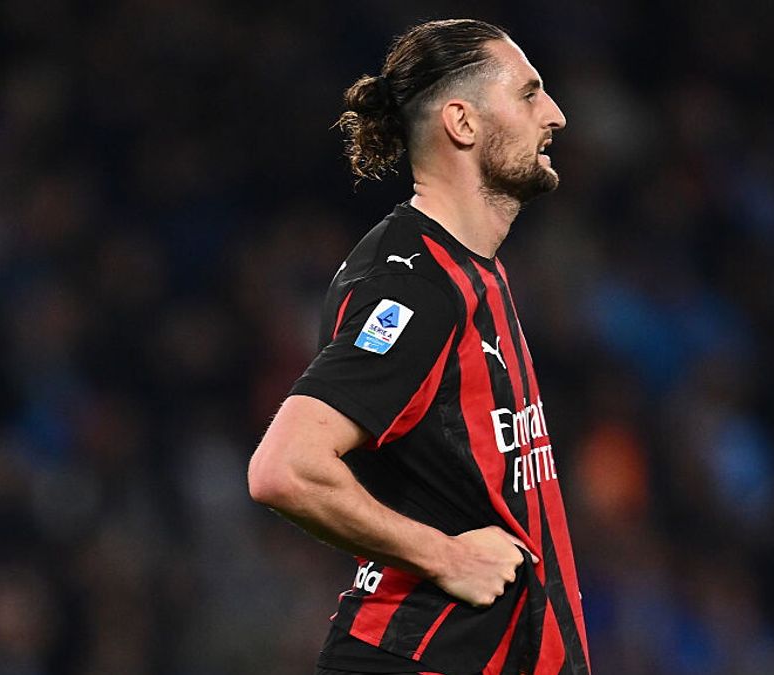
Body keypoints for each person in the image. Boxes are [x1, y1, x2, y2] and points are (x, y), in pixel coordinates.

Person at [247, 18, 590, 675]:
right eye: (528, 94)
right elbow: (285, 467)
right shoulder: (413, 286)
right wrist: (446, 556)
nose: (555, 115)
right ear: (461, 122)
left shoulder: (470, 268)